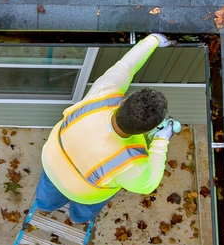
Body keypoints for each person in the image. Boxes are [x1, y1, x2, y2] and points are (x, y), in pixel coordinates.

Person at [33, 33, 175, 226]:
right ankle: (77, 219)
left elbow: (126, 66)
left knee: (48, 192)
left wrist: (152, 41)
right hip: (84, 192)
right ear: (145, 131)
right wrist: (160, 141)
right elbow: (148, 184)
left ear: (123, 101)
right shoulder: (131, 163)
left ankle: (45, 206)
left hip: (53, 161)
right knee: (86, 207)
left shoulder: (103, 95)